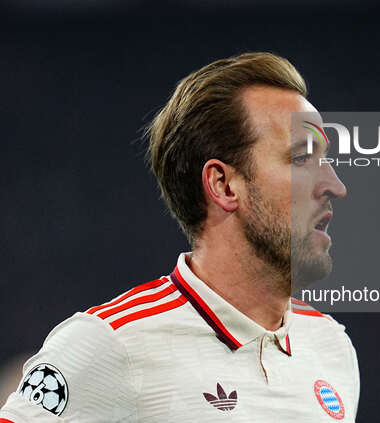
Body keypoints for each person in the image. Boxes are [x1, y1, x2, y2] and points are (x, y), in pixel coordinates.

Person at [0, 52, 359, 422]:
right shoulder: (113, 345)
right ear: (223, 184)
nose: (335, 185)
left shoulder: (331, 347)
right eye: (301, 159)